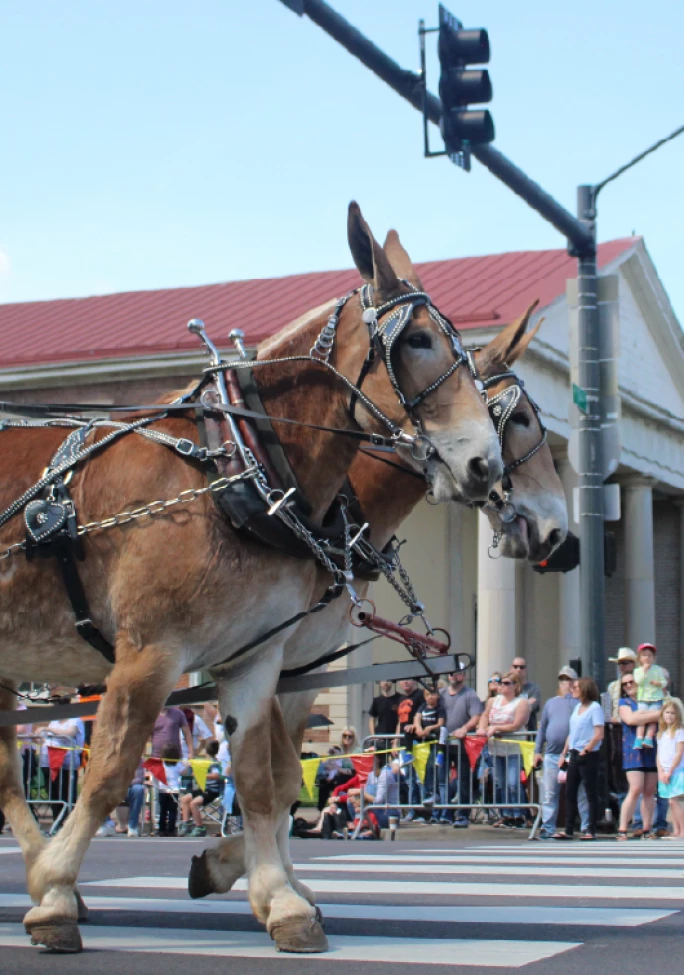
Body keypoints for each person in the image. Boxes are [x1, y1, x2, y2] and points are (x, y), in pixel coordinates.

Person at [534, 666, 589, 839]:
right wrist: (537, 751)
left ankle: (586, 826)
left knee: (580, 792)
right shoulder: (551, 703)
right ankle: (547, 827)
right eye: (563, 680)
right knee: (549, 793)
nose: (566, 684)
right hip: (552, 755)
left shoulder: (580, 703)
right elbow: (542, 728)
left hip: (574, 754)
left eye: (570, 680)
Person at [477, 671, 530, 829]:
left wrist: (496, 728)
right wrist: (482, 727)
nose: (503, 686)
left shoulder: (521, 702)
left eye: (507, 683)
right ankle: (506, 814)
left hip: (513, 748)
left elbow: (516, 724)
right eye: (502, 683)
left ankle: (520, 814)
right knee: (501, 783)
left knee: (513, 783)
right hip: (496, 749)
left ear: (515, 686)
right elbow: (485, 715)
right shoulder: (494, 701)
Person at [555, 677, 605, 841]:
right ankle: (568, 828)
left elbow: (599, 733)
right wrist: (564, 753)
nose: (573, 690)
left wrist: (587, 748)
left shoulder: (595, 708)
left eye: (576, 687)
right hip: (574, 752)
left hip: (588, 753)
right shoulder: (577, 708)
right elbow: (572, 733)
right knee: (570, 791)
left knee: (590, 792)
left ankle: (591, 828)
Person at [615, 672, 660, 840]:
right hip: (633, 750)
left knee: (649, 790)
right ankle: (622, 828)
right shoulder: (623, 702)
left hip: (650, 748)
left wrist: (642, 716)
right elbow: (630, 719)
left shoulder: (649, 700)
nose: (628, 685)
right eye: (624, 684)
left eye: (631, 682)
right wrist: (653, 716)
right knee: (635, 789)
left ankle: (647, 828)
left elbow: (665, 712)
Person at [439, 667, 484, 827]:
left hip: (462, 745)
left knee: (464, 779)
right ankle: (445, 813)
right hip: (443, 743)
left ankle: (463, 814)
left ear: (463, 675)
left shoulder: (470, 694)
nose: (452, 675)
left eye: (457, 672)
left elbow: (476, 716)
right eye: (450, 672)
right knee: (442, 779)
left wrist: (464, 728)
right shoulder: (441, 694)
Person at [39, 700, 86, 829]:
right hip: (48, 760)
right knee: (53, 792)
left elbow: (69, 733)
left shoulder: (75, 720)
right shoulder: (54, 722)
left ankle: (69, 822)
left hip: (66, 762)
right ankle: (57, 820)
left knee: (66, 792)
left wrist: (48, 729)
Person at [414, 685, 447, 819]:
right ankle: (429, 800)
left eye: (433, 694)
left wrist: (429, 728)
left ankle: (438, 809)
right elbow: (416, 719)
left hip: (435, 742)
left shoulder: (440, 709)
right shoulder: (422, 707)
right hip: (423, 744)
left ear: (438, 696)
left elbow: (440, 724)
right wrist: (417, 727)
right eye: (428, 695)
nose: (430, 697)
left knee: (434, 771)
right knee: (424, 774)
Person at [394, 679, 425, 822]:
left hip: (418, 743)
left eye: (408, 680)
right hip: (404, 743)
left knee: (419, 779)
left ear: (415, 681)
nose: (405, 683)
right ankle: (412, 810)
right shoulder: (401, 699)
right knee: (409, 779)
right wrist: (395, 741)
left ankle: (422, 812)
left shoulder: (420, 695)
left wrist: (415, 725)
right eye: (403, 680)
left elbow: (423, 716)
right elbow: (400, 721)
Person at [180, 740, 222, 837]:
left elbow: (216, 775)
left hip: (212, 791)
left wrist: (202, 775)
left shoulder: (214, 763)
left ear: (206, 751)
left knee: (194, 803)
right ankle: (186, 824)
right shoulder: (206, 762)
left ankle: (200, 827)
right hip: (204, 789)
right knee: (184, 799)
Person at [656, 699, 684, 839]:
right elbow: (659, 755)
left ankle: (682, 829)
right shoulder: (661, 733)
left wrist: (670, 770)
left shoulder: (679, 731)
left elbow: (679, 753)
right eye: (667, 712)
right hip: (664, 771)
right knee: (670, 801)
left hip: (677, 771)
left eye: (673, 713)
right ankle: (676, 829)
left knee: (674, 800)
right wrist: (661, 771)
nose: (670, 716)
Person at [633, 643, 668, 749]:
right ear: (640, 658)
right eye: (644, 655)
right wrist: (644, 671)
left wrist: (659, 684)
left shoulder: (658, 669)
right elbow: (639, 681)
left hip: (656, 698)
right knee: (641, 719)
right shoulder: (638, 671)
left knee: (653, 720)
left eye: (649, 655)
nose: (647, 658)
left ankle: (648, 738)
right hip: (643, 698)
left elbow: (664, 681)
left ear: (653, 658)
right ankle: (639, 738)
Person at [152, 743, 184, 836]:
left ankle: (161, 829)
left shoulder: (161, 764)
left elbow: (155, 773)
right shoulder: (178, 764)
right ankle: (171, 829)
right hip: (174, 790)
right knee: (172, 811)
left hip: (163, 789)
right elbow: (184, 772)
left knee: (163, 811)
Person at [607, 647, 637, 721]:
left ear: (633, 664)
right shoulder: (612, 686)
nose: (621, 666)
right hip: (616, 727)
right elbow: (608, 709)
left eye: (625, 663)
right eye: (619, 663)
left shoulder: (639, 684)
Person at [368, 681, 401, 748]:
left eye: (388, 680)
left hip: (394, 739)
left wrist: (396, 738)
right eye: (383, 681)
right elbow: (372, 720)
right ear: (379, 683)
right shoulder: (377, 700)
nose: (385, 683)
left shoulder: (400, 699)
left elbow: (401, 721)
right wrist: (373, 736)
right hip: (380, 739)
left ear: (392, 681)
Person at [511, 657, 541, 731]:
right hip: (509, 732)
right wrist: (526, 703)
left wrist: (511, 706)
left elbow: (533, 706)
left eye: (522, 667)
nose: (518, 669)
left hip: (528, 732)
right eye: (515, 667)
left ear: (526, 670)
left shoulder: (534, 688)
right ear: (511, 668)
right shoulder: (506, 686)